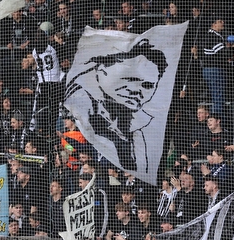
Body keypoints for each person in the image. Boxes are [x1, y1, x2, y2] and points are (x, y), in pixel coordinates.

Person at [65, 39, 168, 176]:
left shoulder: (137, 125)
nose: (137, 91)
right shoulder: (82, 100)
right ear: (101, 71)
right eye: (130, 80)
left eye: (148, 86)